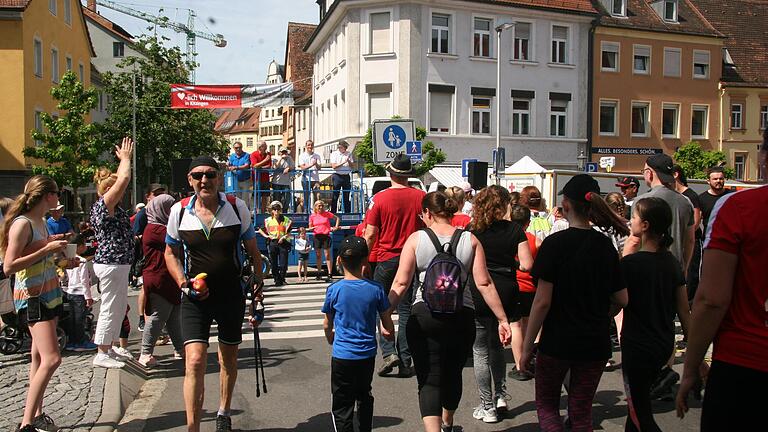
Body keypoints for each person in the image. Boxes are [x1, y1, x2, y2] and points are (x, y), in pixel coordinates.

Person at [383, 191, 512, 432]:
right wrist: (502, 319)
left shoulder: (416, 240)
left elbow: (400, 283)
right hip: (461, 316)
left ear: (428, 213)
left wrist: (386, 314)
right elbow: (484, 283)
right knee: (453, 373)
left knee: (428, 379)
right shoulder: (470, 240)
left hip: (424, 315)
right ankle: (448, 423)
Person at [519, 174, 629, 432]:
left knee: (547, 407)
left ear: (566, 204)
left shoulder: (555, 245)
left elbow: (542, 302)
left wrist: (526, 348)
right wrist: (601, 312)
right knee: (581, 411)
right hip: (595, 342)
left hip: (558, 341)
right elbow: (622, 298)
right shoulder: (605, 246)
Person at [676, 130, 768, 431]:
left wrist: (691, 367)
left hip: (745, 363)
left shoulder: (739, 208)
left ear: (763, 158)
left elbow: (712, 299)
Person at [164, 156, 263, 432]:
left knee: (227, 358)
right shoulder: (179, 211)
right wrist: (184, 283)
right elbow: (170, 252)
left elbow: (254, 253)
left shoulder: (236, 206)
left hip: (231, 294)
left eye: (209, 175)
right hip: (195, 298)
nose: (203, 180)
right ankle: (193, 428)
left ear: (219, 177)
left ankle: (223, 411)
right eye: (198, 176)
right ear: (190, 180)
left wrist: (258, 291)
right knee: (194, 360)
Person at [1, 175, 76, 432]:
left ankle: (37, 415)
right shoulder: (23, 224)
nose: (59, 197)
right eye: (57, 192)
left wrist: (63, 261)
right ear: (48, 196)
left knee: (38, 357)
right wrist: (46, 250)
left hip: (50, 293)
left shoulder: (41, 222)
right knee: (52, 358)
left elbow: (39, 261)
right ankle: (26, 424)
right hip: (33, 298)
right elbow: (9, 266)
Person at [623, 154, 694, 399]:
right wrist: (683, 266)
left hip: (644, 271)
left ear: (650, 173)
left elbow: (633, 240)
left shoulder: (643, 201)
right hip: (672, 268)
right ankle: (664, 372)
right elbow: (690, 238)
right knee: (666, 324)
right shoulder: (684, 201)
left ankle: (653, 378)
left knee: (643, 322)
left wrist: (623, 265)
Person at [621, 197, 691, 432]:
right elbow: (683, 309)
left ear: (646, 225)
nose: (630, 221)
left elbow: (616, 303)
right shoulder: (671, 263)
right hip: (663, 344)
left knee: (640, 413)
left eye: (634, 217)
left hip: (636, 346)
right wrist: (694, 351)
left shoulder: (631, 264)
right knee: (637, 412)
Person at [468, 185, 533, 423]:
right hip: (507, 286)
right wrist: (511, 265)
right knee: (497, 347)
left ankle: (487, 405)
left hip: (481, 288)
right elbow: (526, 264)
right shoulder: (515, 229)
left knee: (480, 349)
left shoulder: (472, 230)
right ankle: (501, 395)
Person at [322, 236, 395, 432]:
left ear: (339, 261)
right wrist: (388, 335)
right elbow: (387, 326)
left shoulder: (334, 290)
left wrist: (331, 337)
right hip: (367, 353)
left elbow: (327, 323)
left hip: (342, 354)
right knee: (364, 394)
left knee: (342, 402)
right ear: (365, 260)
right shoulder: (376, 289)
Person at [363, 154, 426, 378]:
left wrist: (364, 260)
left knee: (381, 307)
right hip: (412, 258)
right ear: (408, 175)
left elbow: (370, 234)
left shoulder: (379, 199)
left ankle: (389, 353)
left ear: (390, 174)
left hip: (386, 257)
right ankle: (406, 358)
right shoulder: (421, 197)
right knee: (407, 309)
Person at [90, 138, 136, 369]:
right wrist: (126, 160)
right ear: (109, 191)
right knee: (110, 306)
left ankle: (110, 346)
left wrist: (121, 163)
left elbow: (120, 179)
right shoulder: (103, 205)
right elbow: (124, 179)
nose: (123, 191)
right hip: (111, 262)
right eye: (116, 189)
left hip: (118, 263)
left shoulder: (111, 206)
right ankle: (102, 351)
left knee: (118, 306)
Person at [138, 194, 184, 368]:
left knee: (173, 317)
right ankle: (145, 353)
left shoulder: (157, 227)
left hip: (167, 278)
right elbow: (179, 238)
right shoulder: (156, 229)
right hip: (160, 278)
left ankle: (180, 349)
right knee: (159, 316)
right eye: (170, 208)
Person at [509, 205, 539, 381]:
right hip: (531, 287)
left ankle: (520, 364)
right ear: (528, 223)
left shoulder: (508, 238)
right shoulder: (535, 240)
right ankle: (528, 359)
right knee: (529, 325)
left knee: (516, 326)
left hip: (514, 285)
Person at [133, 183, 166, 331]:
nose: (158, 197)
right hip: (146, 257)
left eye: (161, 193)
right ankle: (142, 319)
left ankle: (162, 321)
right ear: (148, 197)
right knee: (146, 289)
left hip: (162, 256)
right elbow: (135, 236)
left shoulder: (163, 211)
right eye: (155, 194)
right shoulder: (142, 215)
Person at [672, 165, 703, 301]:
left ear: (676, 175)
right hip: (676, 241)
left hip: (691, 241)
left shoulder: (691, 195)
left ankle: (688, 303)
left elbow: (695, 222)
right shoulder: (673, 195)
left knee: (690, 274)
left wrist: (682, 235)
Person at [63, 234, 97, 352]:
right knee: (79, 319)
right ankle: (81, 341)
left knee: (72, 319)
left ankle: (72, 341)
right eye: (84, 244)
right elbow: (84, 281)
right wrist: (88, 296)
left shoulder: (67, 260)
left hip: (70, 292)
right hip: (80, 293)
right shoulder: (81, 261)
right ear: (78, 246)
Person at [260, 200, 292, 286]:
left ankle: (282, 278)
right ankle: (277, 279)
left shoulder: (286, 220)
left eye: (278, 209)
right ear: (271, 210)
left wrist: (284, 237)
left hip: (283, 243)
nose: (276, 211)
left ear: (280, 210)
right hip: (273, 243)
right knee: (273, 263)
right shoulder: (268, 220)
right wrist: (267, 236)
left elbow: (289, 232)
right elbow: (260, 229)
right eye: (274, 209)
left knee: (283, 263)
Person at [308, 200, 340, 282]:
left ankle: (330, 274)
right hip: (317, 236)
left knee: (327, 255)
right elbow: (310, 226)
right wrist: (312, 228)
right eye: (319, 206)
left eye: (322, 205)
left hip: (326, 236)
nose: (320, 207)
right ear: (315, 207)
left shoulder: (327, 214)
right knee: (318, 255)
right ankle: (319, 273)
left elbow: (337, 218)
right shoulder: (312, 216)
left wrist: (336, 227)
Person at [697, 167, 731, 242]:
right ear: (708, 181)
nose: (718, 181)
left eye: (721, 178)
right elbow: (697, 221)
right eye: (715, 179)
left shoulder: (732, 196)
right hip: (709, 241)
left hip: (730, 240)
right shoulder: (701, 199)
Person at [330, 140, 354, 213]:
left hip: (346, 176)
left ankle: (347, 212)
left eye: (345, 147)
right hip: (337, 176)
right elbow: (334, 166)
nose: (345, 149)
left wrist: (349, 161)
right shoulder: (334, 154)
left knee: (346, 195)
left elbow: (352, 166)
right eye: (343, 147)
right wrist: (343, 162)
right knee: (335, 195)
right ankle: (333, 212)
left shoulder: (348, 154)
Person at [226, 141, 252, 209]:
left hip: (245, 180)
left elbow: (246, 165)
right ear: (234, 148)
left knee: (245, 199)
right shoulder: (232, 156)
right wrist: (228, 167)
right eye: (236, 148)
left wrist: (236, 167)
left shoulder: (246, 155)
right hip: (236, 180)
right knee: (237, 199)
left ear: (241, 147)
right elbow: (230, 165)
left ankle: (246, 215)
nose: (238, 149)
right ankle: (239, 215)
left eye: (239, 147)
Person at [298, 140, 321, 213]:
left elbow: (319, 168)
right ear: (306, 146)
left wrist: (316, 164)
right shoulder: (302, 155)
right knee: (306, 196)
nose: (310, 146)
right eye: (308, 145)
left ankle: (317, 211)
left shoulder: (317, 156)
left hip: (315, 179)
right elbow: (302, 167)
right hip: (306, 178)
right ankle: (306, 211)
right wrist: (312, 164)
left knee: (317, 196)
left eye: (311, 145)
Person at [250, 141, 272, 212]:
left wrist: (260, 167)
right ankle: (256, 211)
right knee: (256, 195)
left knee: (265, 196)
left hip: (265, 178)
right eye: (265, 146)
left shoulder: (268, 154)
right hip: (256, 179)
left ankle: (262, 212)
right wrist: (265, 160)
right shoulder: (254, 154)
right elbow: (255, 165)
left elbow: (269, 166)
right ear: (260, 147)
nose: (266, 147)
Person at [271, 146, 295, 211]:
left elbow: (293, 166)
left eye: (285, 151)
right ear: (280, 152)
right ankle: (276, 211)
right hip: (277, 182)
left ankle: (285, 211)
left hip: (286, 182)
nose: (284, 153)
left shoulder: (289, 158)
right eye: (282, 152)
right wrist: (281, 158)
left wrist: (288, 168)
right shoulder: (275, 158)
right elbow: (275, 167)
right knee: (277, 198)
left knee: (287, 197)